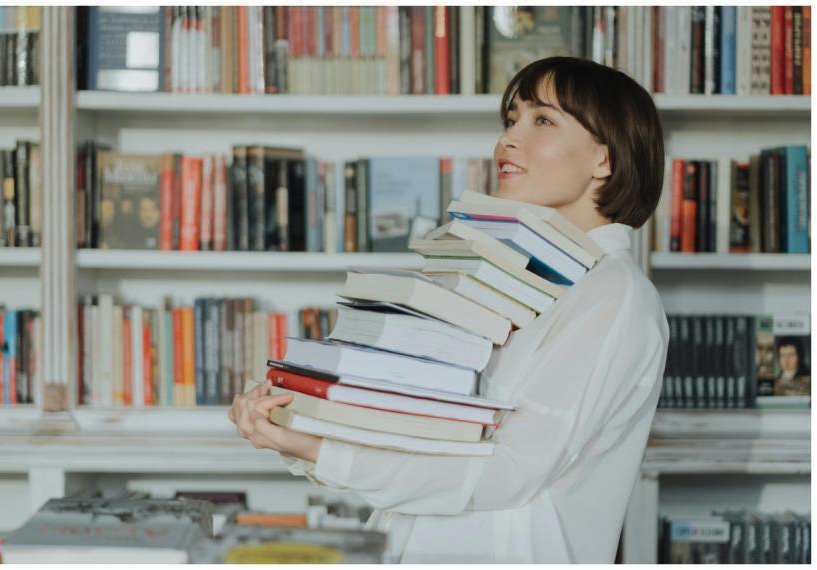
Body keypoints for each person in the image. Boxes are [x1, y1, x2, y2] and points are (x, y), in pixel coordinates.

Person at [228, 56, 669, 563]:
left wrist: (319, 450)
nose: (508, 140)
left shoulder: (614, 293)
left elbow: (508, 472)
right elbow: (433, 437)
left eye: (542, 120)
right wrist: (297, 425)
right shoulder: (527, 277)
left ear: (605, 160)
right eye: (511, 120)